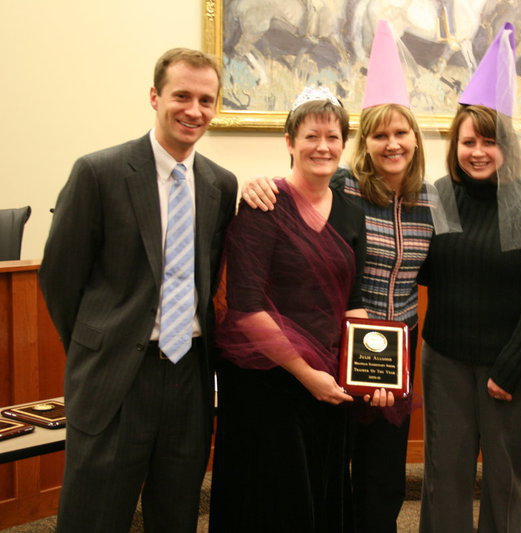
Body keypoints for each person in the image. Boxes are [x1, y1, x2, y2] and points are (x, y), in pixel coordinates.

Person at [242, 21, 434, 533]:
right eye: (380, 134)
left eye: (401, 132)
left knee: (382, 478)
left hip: (396, 352)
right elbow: (300, 180)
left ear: (415, 137)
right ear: (364, 143)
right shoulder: (345, 189)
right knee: (323, 474)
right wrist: (257, 181)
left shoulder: (435, 202)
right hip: (336, 347)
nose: (392, 143)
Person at [38, 48, 238, 533]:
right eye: (182, 96)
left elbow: (207, 278)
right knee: (94, 515)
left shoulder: (220, 184)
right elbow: (59, 278)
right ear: (155, 96)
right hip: (116, 378)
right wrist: (100, 344)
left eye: (206, 100)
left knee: (177, 512)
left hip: (189, 376)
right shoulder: (99, 173)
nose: (194, 110)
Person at [210, 86, 389, 533]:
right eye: (311, 136)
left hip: (327, 385)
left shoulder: (351, 212)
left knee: (320, 497)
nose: (322, 146)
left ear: (344, 144)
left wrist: (370, 375)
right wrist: (308, 376)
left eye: (333, 136)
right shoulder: (262, 205)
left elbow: (354, 306)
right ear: (289, 142)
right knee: (273, 505)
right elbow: (247, 308)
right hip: (268, 386)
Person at [418, 24, 521, 533]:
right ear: (454, 146)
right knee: (445, 476)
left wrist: (507, 369)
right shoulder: (435, 197)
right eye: (468, 141)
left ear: (509, 144)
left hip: (515, 370)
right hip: (446, 364)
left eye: (490, 140)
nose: (478, 151)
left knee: (506, 481)